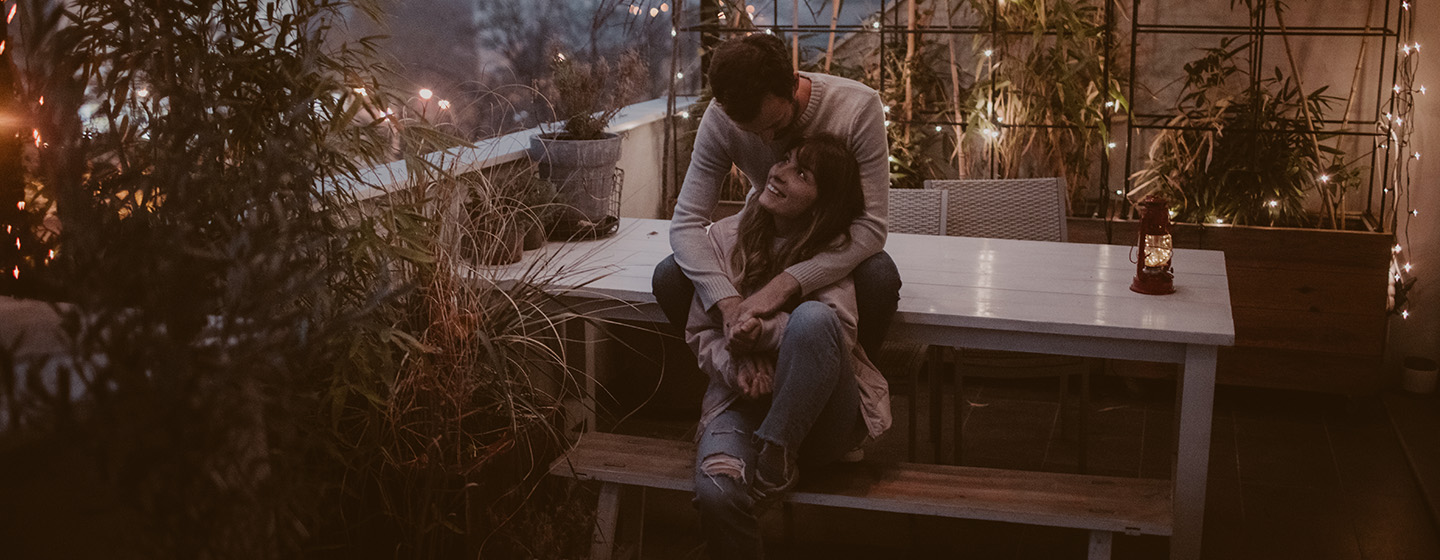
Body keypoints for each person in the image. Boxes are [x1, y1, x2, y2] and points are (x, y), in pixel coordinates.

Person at [687, 134, 891, 559]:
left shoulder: (832, 252)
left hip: (819, 419)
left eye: (802, 173)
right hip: (740, 404)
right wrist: (735, 369)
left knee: (814, 318)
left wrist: (762, 334)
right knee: (718, 492)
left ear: (822, 202)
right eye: (784, 161)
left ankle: (776, 454)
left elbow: (836, 335)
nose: (779, 173)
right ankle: (761, 480)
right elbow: (701, 331)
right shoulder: (724, 238)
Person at [653, 32, 899, 360]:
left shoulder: (856, 106)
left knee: (879, 275)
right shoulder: (720, 118)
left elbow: (871, 228)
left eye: (776, 124)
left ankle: (850, 377)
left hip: (828, 243)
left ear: (793, 82)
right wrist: (727, 303)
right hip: (764, 242)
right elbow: (686, 224)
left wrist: (784, 285)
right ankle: (737, 371)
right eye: (752, 133)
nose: (768, 141)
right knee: (670, 276)